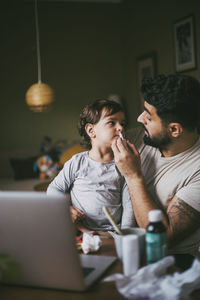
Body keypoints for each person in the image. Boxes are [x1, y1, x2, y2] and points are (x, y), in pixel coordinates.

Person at [111, 74, 200, 269]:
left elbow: (161, 237)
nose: (139, 118)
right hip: (122, 249)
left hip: (174, 266)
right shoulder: (139, 137)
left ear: (174, 129)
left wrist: (133, 176)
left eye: (148, 116)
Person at [47, 99, 135, 232]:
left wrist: (126, 234)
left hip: (113, 231)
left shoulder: (123, 164)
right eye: (112, 122)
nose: (121, 128)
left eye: (123, 123)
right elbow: (54, 189)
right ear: (91, 130)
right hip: (80, 229)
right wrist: (67, 209)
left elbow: (129, 205)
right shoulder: (77, 162)